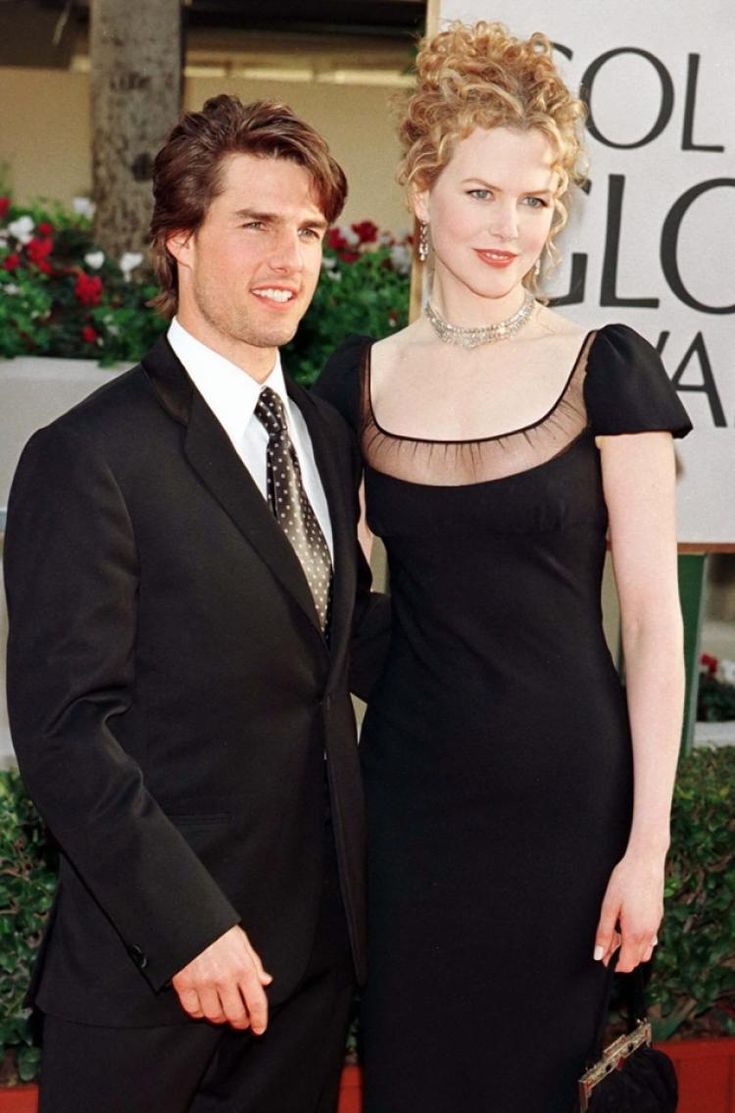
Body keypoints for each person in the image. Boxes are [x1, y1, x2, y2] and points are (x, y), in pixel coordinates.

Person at [315, 22, 691, 1113]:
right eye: (482, 193)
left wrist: (647, 847)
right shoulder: (358, 381)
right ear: (424, 191)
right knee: (419, 1075)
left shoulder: (605, 367)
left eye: (536, 202)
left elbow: (657, 627)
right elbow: (332, 597)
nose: (508, 227)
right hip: (414, 804)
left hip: (571, 806)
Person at [4, 95, 388, 1113]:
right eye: (255, 224)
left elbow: (324, 666)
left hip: (308, 971)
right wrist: (190, 926)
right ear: (179, 239)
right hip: (154, 977)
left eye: (308, 231)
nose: (291, 256)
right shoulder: (88, 458)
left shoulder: (323, 434)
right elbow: (64, 730)